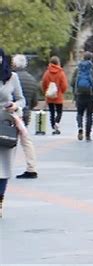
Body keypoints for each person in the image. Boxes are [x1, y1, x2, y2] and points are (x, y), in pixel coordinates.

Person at [0, 48, 26, 218]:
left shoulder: (12, 77)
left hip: (5, 126)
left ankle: (0, 200)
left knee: (3, 167)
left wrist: (16, 106)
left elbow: (22, 99)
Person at [12, 54, 39, 179]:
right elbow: (34, 101)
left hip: (11, 114)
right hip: (25, 114)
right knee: (26, 141)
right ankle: (31, 167)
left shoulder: (11, 78)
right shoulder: (31, 79)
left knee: (6, 140)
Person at [71, 51, 93, 141]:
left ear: (83, 57)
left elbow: (72, 82)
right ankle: (88, 135)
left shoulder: (78, 68)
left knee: (79, 113)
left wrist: (76, 90)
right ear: (91, 58)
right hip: (90, 95)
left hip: (79, 95)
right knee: (89, 115)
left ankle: (80, 128)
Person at [41, 56, 68, 135]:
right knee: (59, 112)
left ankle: (53, 126)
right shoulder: (61, 72)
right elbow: (64, 85)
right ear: (58, 63)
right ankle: (57, 122)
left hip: (50, 96)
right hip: (58, 96)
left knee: (52, 112)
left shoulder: (47, 73)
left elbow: (43, 84)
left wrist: (46, 91)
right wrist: (62, 92)